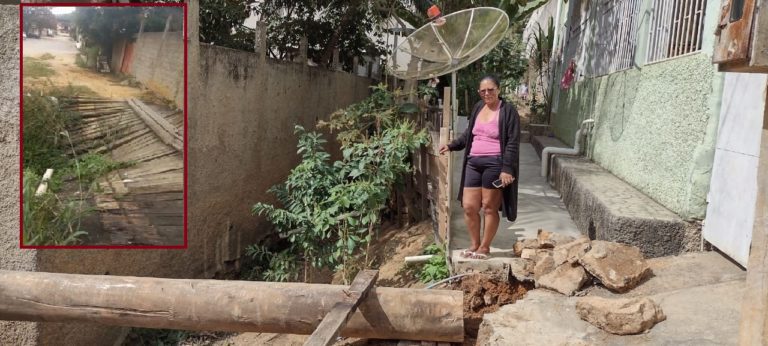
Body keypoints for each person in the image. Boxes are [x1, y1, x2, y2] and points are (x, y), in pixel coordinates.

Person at [439, 75, 520, 260]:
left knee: (490, 207)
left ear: (498, 89)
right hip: (473, 163)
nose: (487, 93)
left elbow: (513, 142)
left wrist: (507, 168)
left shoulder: (508, 111)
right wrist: (452, 145)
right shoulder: (478, 107)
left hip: (495, 163)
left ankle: (484, 247)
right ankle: (474, 243)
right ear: (479, 92)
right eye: (483, 90)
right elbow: (469, 133)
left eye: (491, 89)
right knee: (469, 206)